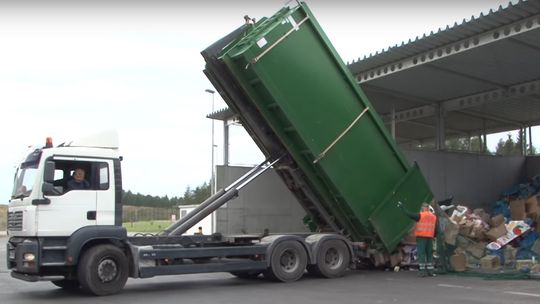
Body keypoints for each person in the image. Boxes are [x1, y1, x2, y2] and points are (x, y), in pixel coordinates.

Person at [397, 201, 437, 277]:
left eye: (422, 207)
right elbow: (435, 228)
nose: (421, 209)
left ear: (424, 208)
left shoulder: (421, 215)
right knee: (429, 254)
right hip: (430, 237)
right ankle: (430, 271)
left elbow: (410, 215)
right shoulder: (433, 217)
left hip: (422, 237)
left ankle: (422, 272)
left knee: (421, 254)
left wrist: (402, 208)